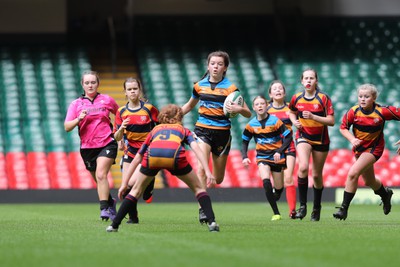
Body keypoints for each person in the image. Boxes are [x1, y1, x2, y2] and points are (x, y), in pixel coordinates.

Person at [106, 104, 220, 232]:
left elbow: (138, 157)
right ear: (179, 117)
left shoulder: (155, 131)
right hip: (174, 156)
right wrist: (208, 171)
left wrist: (125, 184)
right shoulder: (183, 130)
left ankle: (114, 225)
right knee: (199, 188)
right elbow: (197, 149)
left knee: (135, 191)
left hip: (153, 157)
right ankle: (212, 222)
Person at [181, 50, 252, 223]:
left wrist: (239, 109)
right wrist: (172, 119)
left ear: (225, 67)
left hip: (222, 134)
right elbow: (189, 106)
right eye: (213, 63)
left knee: (218, 178)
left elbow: (248, 113)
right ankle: (203, 210)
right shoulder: (199, 86)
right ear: (208, 65)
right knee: (201, 168)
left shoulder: (231, 89)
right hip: (202, 130)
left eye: (220, 64)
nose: (216, 66)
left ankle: (209, 187)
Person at [333, 83, 399, 220]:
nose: (362, 99)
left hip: (374, 149)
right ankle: (385, 194)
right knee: (369, 181)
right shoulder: (354, 111)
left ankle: (343, 209)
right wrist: (352, 139)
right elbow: (343, 128)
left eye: (366, 96)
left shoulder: (383, 111)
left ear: (374, 98)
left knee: (352, 173)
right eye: (360, 96)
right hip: (359, 149)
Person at [64, 70, 119, 221]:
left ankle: (104, 209)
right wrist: (78, 120)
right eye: (87, 83)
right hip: (87, 147)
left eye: (93, 82)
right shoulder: (76, 104)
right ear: (82, 85)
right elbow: (67, 127)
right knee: (98, 179)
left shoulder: (107, 100)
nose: (90, 85)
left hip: (107, 143)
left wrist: (119, 134)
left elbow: (120, 114)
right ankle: (110, 202)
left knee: (102, 175)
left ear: (98, 84)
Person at [289, 68, 335, 221]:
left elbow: (331, 121)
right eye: (306, 78)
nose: (308, 81)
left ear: (316, 81)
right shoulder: (296, 98)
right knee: (302, 167)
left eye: (311, 78)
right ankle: (302, 207)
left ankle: (316, 207)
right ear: (302, 81)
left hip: (321, 140)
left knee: (316, 175)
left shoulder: (323, 98)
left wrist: (314, 117)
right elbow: (291, 111)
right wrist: (294, 120)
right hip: (303, 136)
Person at [113, 77, 159, 224]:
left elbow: (159, 127)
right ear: (125, 92)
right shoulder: (121, 112)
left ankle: (148, 183)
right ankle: (134, 217)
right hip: (131, 152)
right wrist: (121, 129)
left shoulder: (149, 109)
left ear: (139, 90)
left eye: (135, 89)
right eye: (129, 89)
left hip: (146, 152)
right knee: (126, 186)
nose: (132, 92)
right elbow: (116, 136)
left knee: (131, 183)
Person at [242, 96, 292, 221]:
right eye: (257, 104)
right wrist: (244, 156)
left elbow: (288, 137)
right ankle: (276, 213)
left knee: (279, 188)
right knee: (266, 181)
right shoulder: (251, 125)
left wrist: (280, 151)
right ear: (254, 107)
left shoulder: (275, 121)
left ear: (266, 106)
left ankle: (276, 194)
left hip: (277, 157)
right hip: (262, 156)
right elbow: (245, 142)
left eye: (262, 104)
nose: (260, 106)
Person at [267, 80, 297, 219]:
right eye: (275, 89)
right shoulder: (266, 110)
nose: (278, 90)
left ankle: (292, 211)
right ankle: (277, 192)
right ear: (270, 93)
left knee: (289, 178)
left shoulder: (290, 109)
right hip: (273, 148)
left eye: (280, 88)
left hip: (288, 145)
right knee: (278, 185)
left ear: (284, 93)